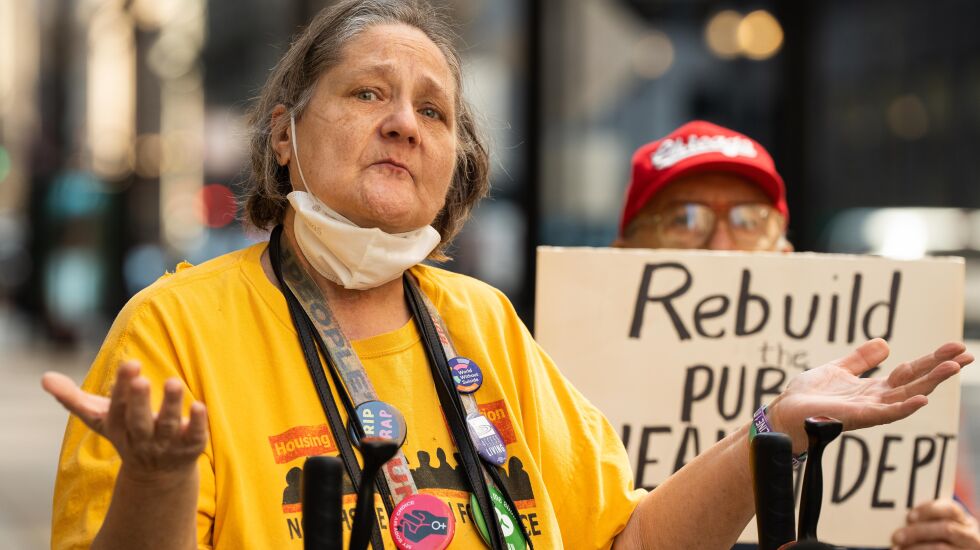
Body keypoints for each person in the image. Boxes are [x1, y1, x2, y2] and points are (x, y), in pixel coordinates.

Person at [42, 2, 972, 548]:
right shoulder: (175, 328)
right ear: (283, 135)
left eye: (434, 111)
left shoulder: (483, 324)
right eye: (368, 92)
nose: (403, 123)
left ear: (457, 164)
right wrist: (159, 478)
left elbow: (629, 538)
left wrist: (779, 428)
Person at [614, 120, 980, 550]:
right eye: (684, 218)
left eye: (749, 220)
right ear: (624, 254)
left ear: (784, 253)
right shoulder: (562, 399)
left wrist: (953, 538)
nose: (722, 244)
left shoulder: (855, 390)